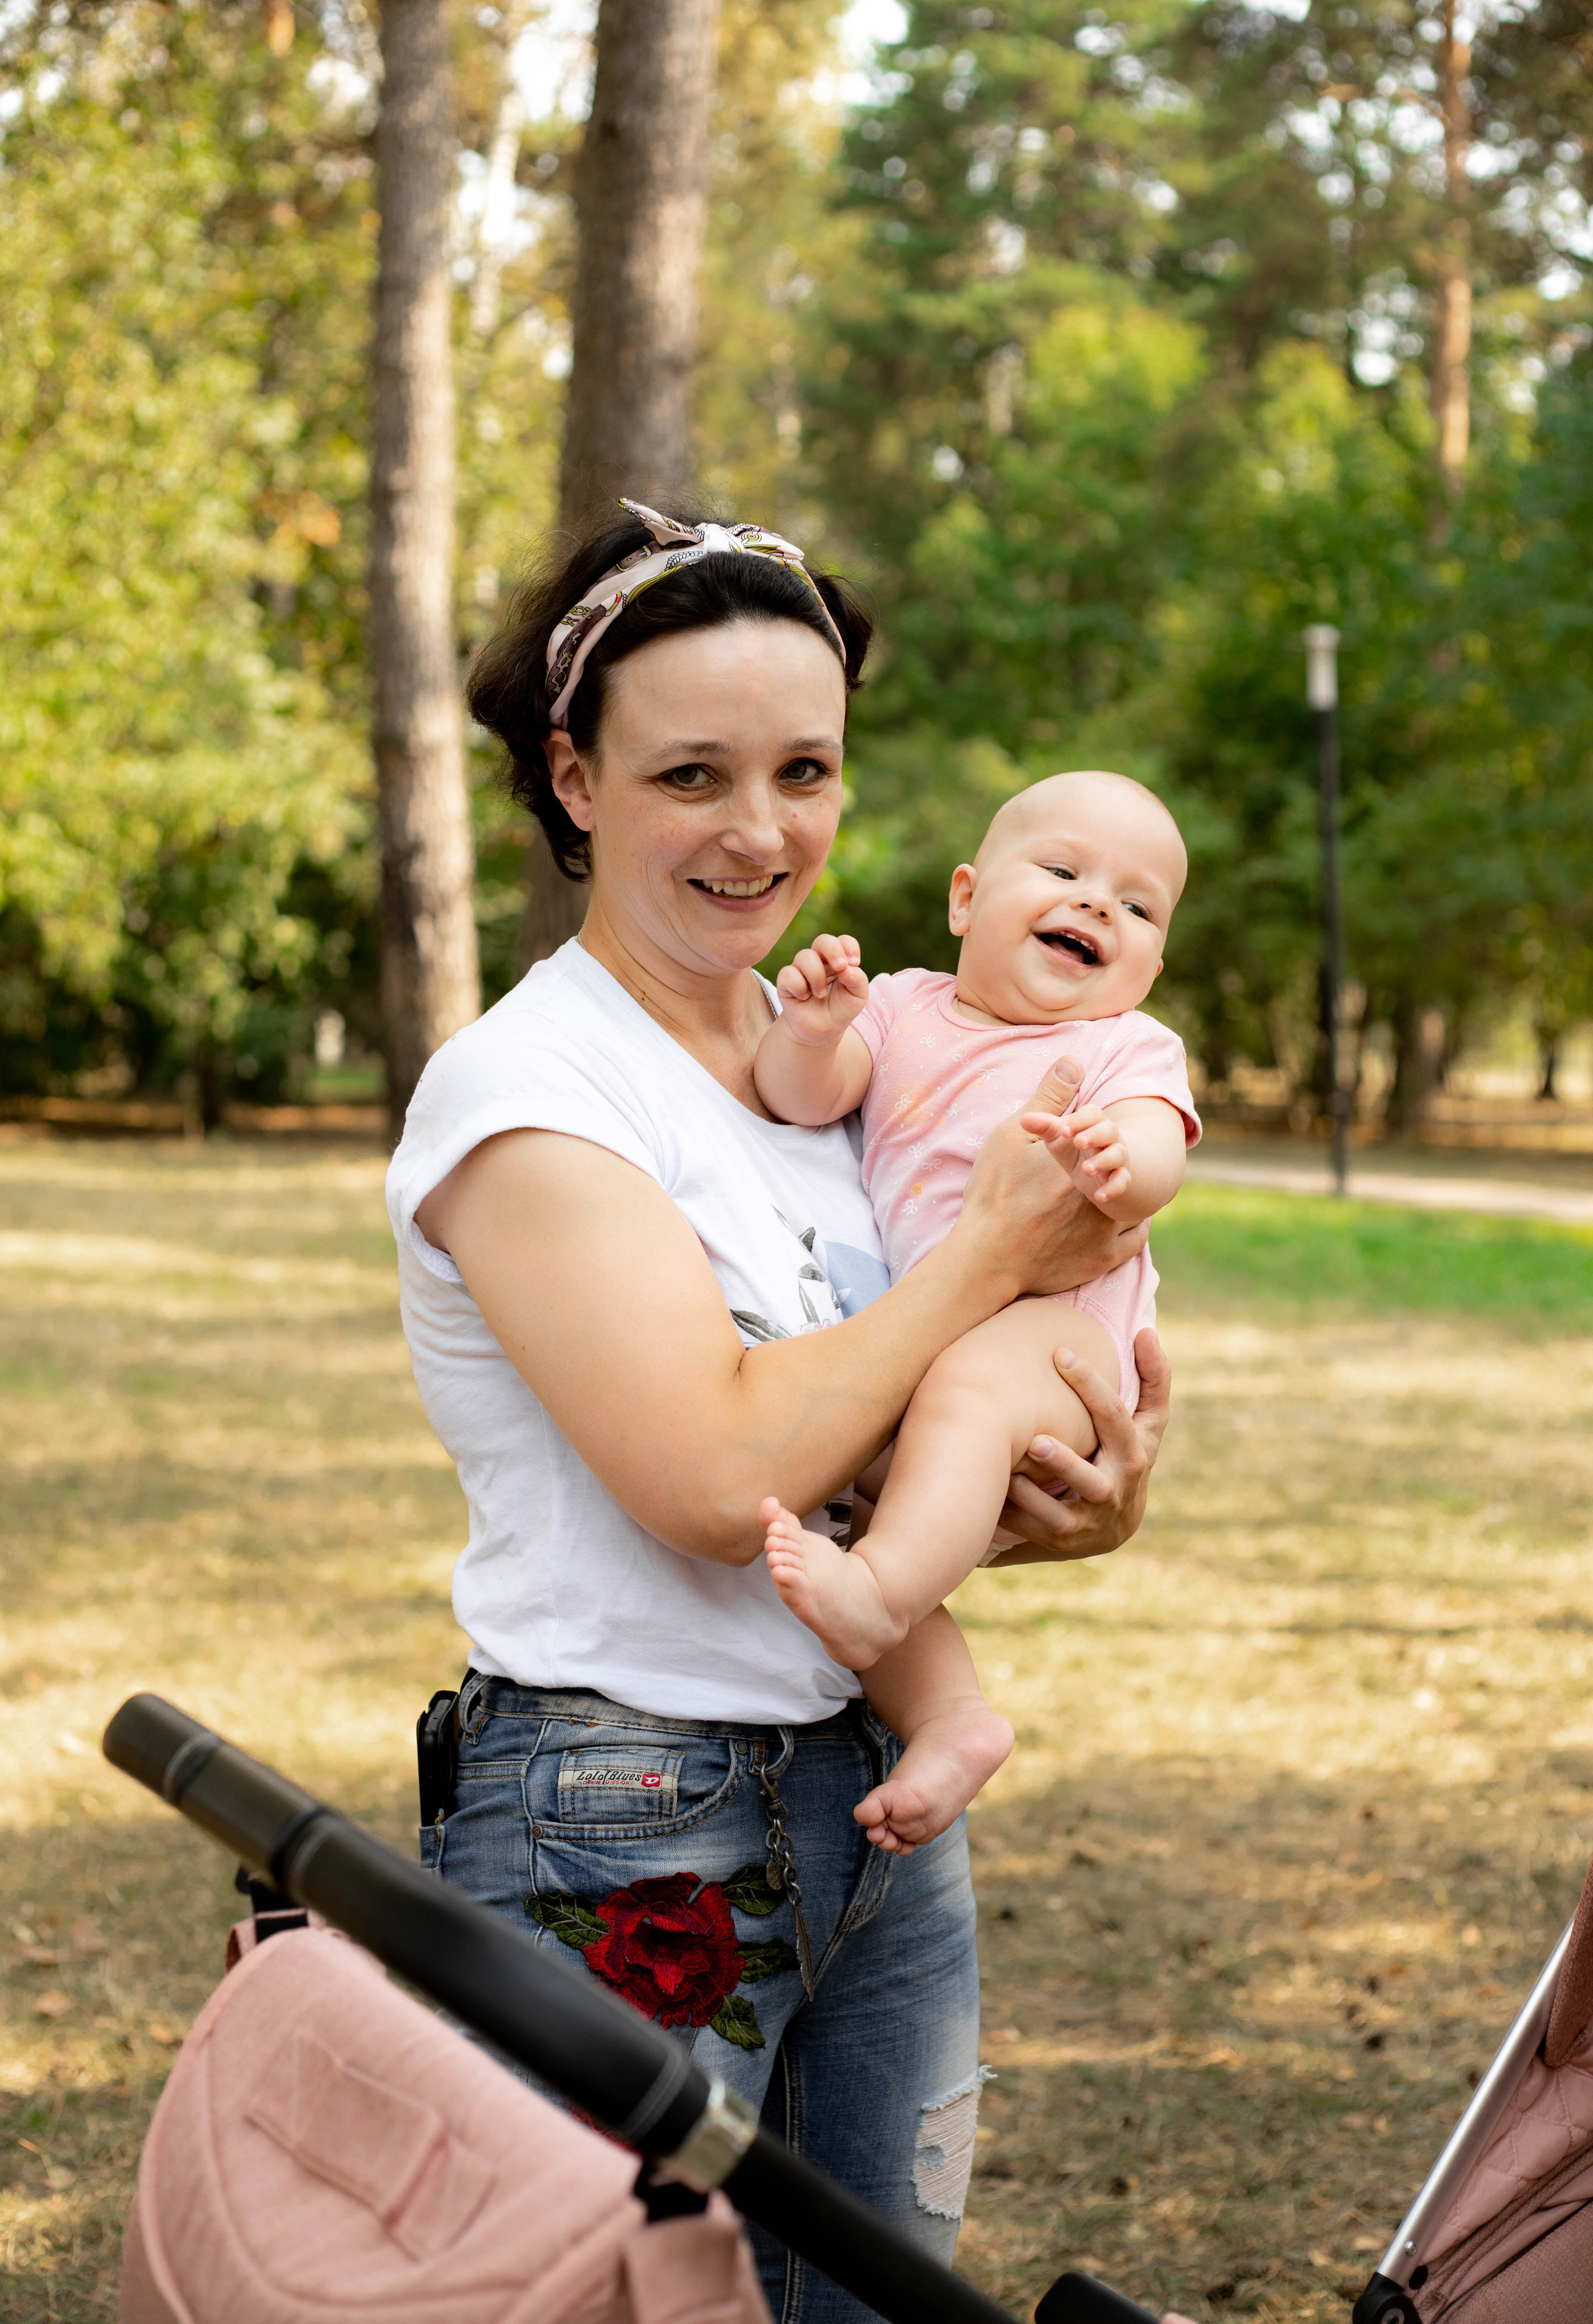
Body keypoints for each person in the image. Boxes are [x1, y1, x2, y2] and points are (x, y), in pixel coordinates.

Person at [385, 499, 1171, 2324]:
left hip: (882, 1805)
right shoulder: (527, 1091)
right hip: (620, 1809)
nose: (763, 834)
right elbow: (718, 1469)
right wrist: (989, 1264)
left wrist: (1081, 1484)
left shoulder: (834, 1060)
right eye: (693, 775)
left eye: (804, 769)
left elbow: (875, 1432)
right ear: (574, 778)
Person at [754, 772, 1199, 1854]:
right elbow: (799, 1095)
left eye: (1139, 906)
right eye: (1064, 872)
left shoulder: (1122, 1048)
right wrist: (813, 1031)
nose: (1100, 905)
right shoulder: (902, 1005)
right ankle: (953, 1717)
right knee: (861, 1494)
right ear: (965, 899)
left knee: (933, 1441)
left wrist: (1118, 1160)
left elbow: (1157, 1151)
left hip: (1055, 1343)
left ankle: (877, 1601)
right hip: (936, 1342)